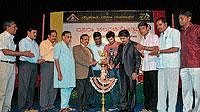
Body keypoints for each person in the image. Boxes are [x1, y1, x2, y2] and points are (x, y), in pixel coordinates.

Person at [0, 20, 34, 112]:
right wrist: (24, 53)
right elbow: (5, 52)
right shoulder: (3, 36)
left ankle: (6, 109)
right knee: (2, 91)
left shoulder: (11, 38)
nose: (16, 28)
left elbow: (11, 53)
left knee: (10, 90)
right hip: (4, 64)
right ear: (7, 27)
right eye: (14, 27)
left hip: (10, 64)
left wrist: (14, 64)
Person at [155, 17, 181, 112]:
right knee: (161, 90)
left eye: (160, 24)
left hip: (172, 66)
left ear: (165, 24)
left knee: (172, 91)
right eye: (157, 25)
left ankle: (171, 110)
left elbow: (176, 48)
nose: (158, 27)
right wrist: (157, 53)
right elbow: (159, 52)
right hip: (162, 66)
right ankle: (161, 109)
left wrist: (160, 51)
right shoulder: (161, 36)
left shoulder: (174, 32)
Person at [113, 29, 141, 112]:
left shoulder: (134, 45)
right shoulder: (120, 46)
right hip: (122, 71)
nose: (122, 40)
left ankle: (131, 107)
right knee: (123, 90)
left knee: (132, 90)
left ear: (128, 37)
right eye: (121, 38)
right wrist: (113, 64)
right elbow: (118, 57)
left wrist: (135, 72)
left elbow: (138, 59)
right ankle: (123, 107)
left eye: (124, 38)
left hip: (131, 72)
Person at [18, 27, 44, 112]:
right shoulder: (23, 41)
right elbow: (25, 54)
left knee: (32, 87)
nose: (36, 34)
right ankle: (22, 108)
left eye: (36, 33)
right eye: (34, 33)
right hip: (25, 65)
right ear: (28, 33)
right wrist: (36, 59)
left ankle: (30, 107)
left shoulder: (35, 43)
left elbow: (38, 55)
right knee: (24, 87)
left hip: (34, 66)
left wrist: (40, 59)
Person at [179, 11, 200, 112]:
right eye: (179, 19)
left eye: (182, 18)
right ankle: (187, 110)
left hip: (196, 64)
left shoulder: (197, 29)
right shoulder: (180, 32)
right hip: (183, 65)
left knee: (197, 90)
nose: (180, 20)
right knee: (186, 91)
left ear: (189, 18)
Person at [136, 21, 159, 112]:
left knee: (154, 89)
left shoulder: (154, 37)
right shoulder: (141, 39)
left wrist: (143, 47)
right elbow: (143, 54)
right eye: (140, 29)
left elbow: (156, 49)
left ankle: (153, 108)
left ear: (148, 28)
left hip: (154, 67)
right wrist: (139, 52)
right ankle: (147, 107)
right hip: (145, 67)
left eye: (143, 28)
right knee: (146, 90)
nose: (141, 30)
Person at [73, 34, 97, 111]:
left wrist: (94, 62)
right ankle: (79, 107)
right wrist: (89, 63)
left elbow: (91, 59)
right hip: (81, 72)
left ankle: (85, 105)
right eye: (85, 39)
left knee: (88, 90)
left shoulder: (89, 49)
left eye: (87, 39)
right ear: (81, 40)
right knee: (80, 91)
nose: (87, 41)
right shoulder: (76, 48)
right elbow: (78, 59)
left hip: (90, 71)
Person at [54, 31, 76, 112]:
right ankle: (63, 108)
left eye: (70, 37)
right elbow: (56, 59)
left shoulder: (70, 46)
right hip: (62, 72)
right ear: (63, 37)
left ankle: (66, 106)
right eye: (67, 37)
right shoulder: (58, 45)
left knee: (70, 87)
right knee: (64, 89)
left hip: (70, 72)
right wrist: (59, 73)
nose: (69, 38)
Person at [39, 30, 58, 112]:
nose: (54, 37)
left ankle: (50, 104)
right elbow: (42, 54)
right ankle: (43, 105)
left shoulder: (57, 44)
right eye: (53, 36)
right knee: (45, 86)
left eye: (55, 36)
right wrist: (52, 46)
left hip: (55, 65)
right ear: (49, 36)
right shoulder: (43, 43)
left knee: (54, 86)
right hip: (46, 64)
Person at [104, 31, 121, 111]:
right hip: (110, 69)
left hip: (119, 68)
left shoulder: (119, 44)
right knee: (111, 87)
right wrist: (107, 67)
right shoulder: (106, 46)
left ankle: (122, 104)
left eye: (111, 39)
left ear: (114, 37)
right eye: (109, 39)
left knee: (121, 86)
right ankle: (115, 104)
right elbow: (105, 57)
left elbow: (122, 56)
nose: (110, 41)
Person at [88, 32, 106, 107]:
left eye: (99, 39)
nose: (98, 40)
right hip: (94, 69)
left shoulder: (105, 46)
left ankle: (100, 103)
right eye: (96, 39)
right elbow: (88, 57)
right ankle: (92, 102)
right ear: (94, 39)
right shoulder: (90, 46)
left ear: (101, 38)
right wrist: (92, 61)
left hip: (103, 70)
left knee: (101, 86)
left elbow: (107, 57)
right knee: (93, 86)